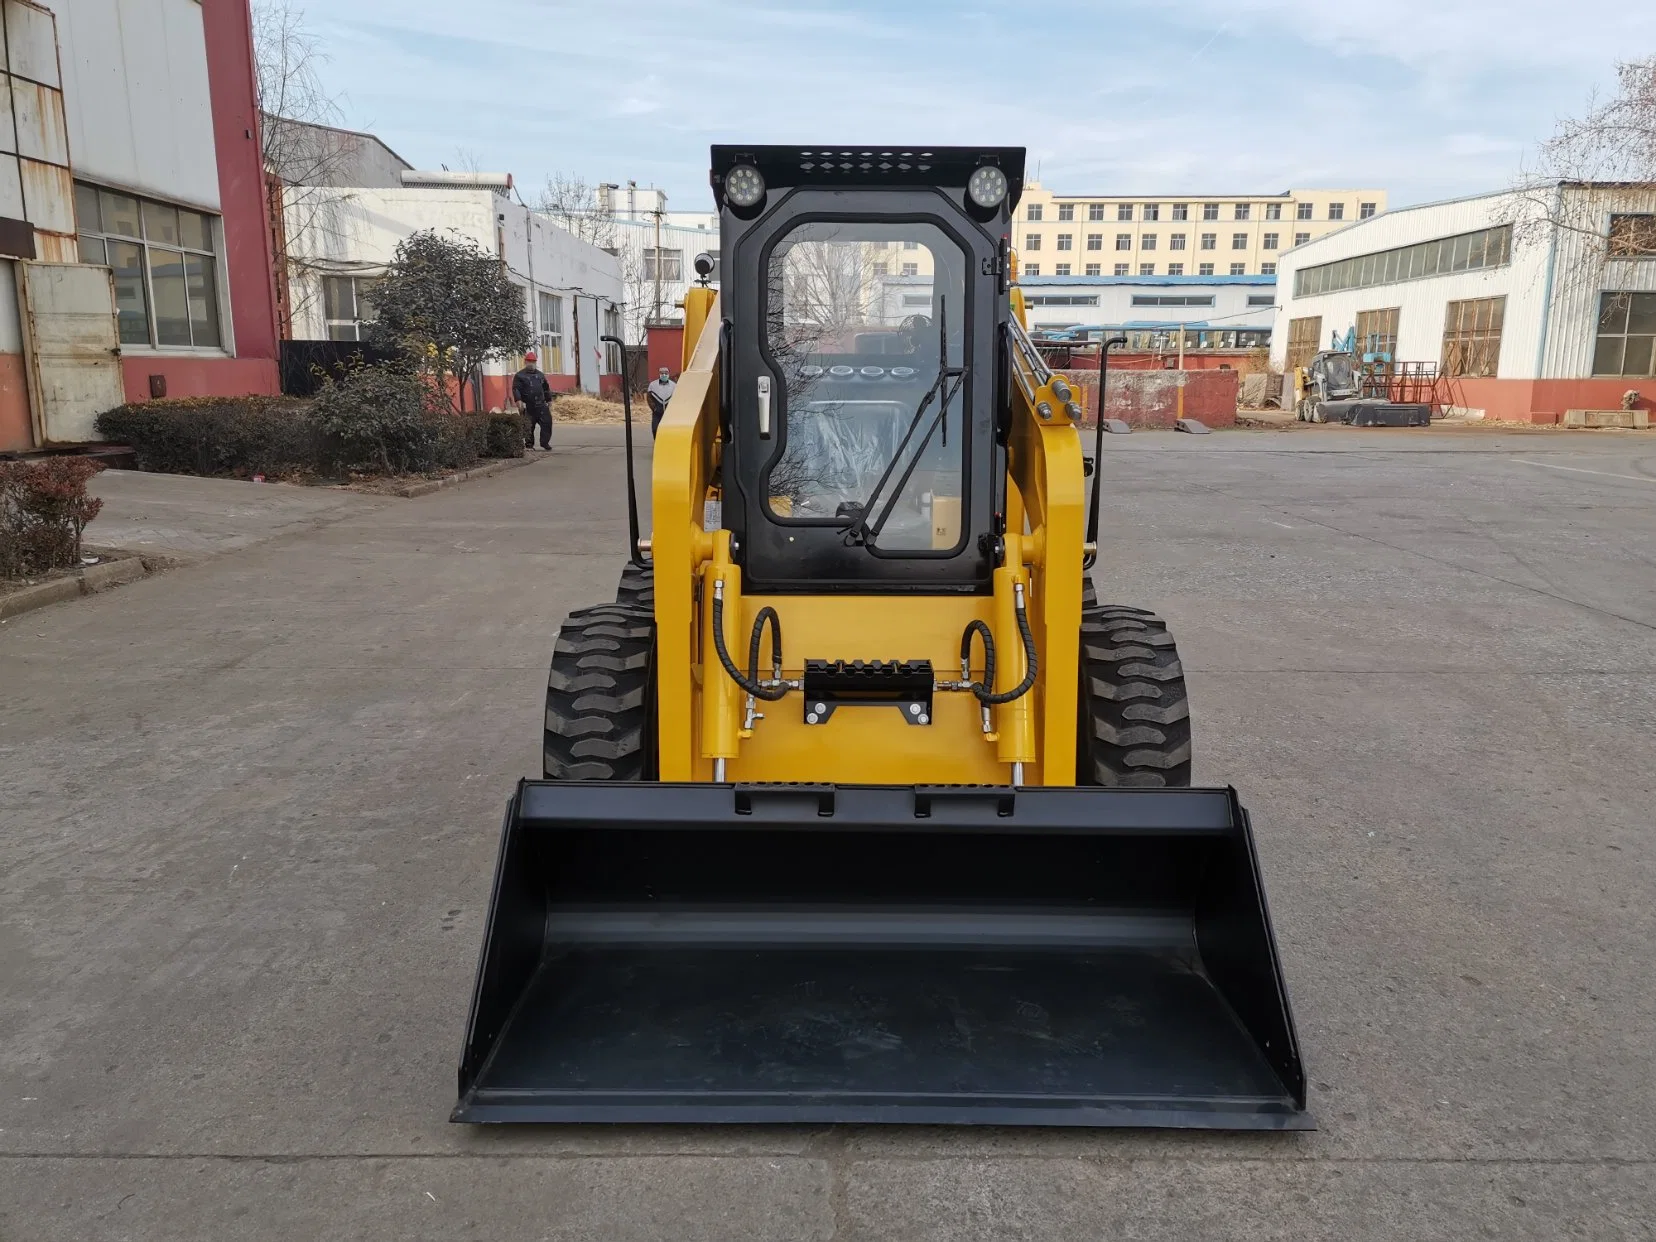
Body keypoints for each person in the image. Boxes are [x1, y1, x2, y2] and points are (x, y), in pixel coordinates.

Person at [513, 351, 555, 451]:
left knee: (547, 423)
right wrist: (518, 401)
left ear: (535, 363)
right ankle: (529, 445)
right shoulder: (519, 376)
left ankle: (545, 443)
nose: (531, 364)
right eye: (529, 361)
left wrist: (549, 400)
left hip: (541, 405)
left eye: (533, 362)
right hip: (528, 406)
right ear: (525, 362)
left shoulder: (540, 375)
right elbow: (516, 389)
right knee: (528, 426)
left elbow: (546, 388)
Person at [646, 367, 677, 438]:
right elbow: (649, 397)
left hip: (669, 412)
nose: (664, 375)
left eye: (666, 373)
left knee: (669, 430)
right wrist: (654, 408)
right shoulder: (653, 385)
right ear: (659, 374)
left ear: (668, 374)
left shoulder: (674, 386)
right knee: (655, 429)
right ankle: (657, 442)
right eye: (662, 373)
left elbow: (677, 397)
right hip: (657, 412)